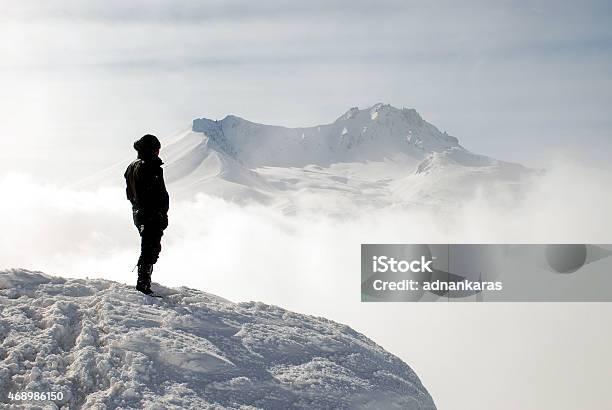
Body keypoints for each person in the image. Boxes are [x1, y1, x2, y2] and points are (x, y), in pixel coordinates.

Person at [124, 134, 169, 295]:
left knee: (149, 247)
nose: (158, 152)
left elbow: (130, 193)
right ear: (152, 149)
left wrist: (138, 208)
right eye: (157, 149)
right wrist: (159, 213)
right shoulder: (149, 166)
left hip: (140, 213)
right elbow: (156, 194)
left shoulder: (132, 166)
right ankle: (143, 284)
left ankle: (144, 282)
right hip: (151, 214)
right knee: (150, 248)